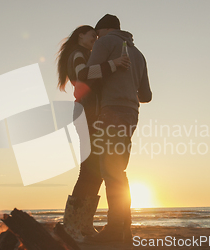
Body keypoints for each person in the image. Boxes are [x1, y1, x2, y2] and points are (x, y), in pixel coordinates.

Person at [56, 25, 130, 241]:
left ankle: (83, 225)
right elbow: (82, 75)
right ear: (81, 35)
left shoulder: (85, 54)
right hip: (85, 115)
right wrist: (113, 64)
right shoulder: (77, 54)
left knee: (95, 171)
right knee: (88, 171)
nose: (95, 39)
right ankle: (71, 226)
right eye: (92, 36)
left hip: (91, 116)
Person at [85, 14, 152, 244]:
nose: (95, 41)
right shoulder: (139, 54)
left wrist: (108, 73)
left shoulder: (105, 43)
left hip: (110, 110)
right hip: (132, 113)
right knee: (119, 170)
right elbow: (147, 96)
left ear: (103, 30)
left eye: (96, 35)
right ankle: (124, 230)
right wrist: (128, 83)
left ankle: (115, 229)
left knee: (110, 171)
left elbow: (89, 75)